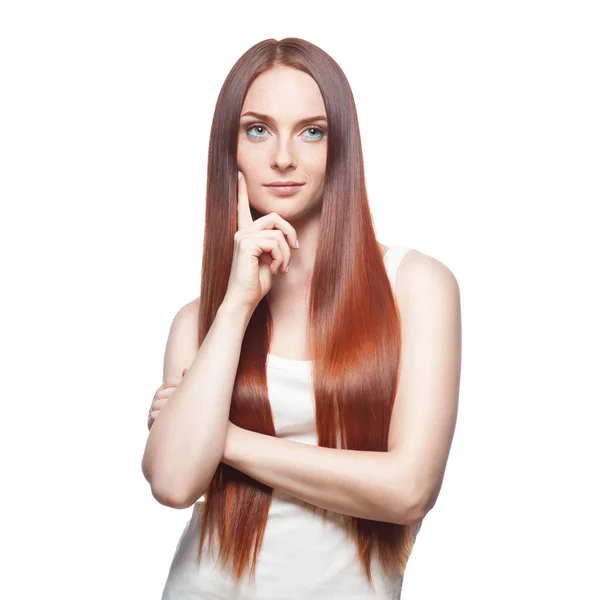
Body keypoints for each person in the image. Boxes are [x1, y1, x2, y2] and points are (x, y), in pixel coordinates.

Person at [142, 37, 461, 599]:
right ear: (231, 150)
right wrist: (238, 302)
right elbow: (171, 482)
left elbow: (409, 488)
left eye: (312, 131)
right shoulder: (200, 321)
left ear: (340, 148)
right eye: (258, 129)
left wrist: (226, 440)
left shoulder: (415, 288)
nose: (284, 156)